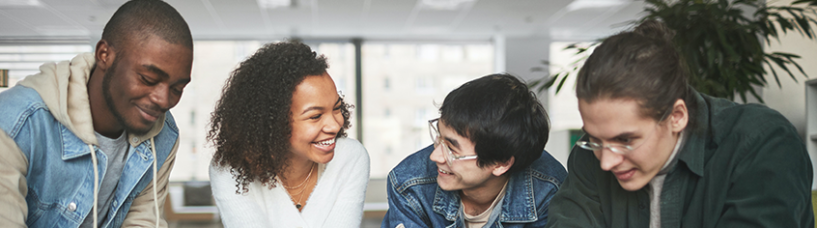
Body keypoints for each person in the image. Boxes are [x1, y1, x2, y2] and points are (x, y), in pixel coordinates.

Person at [546, 20, 814, 228]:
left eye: (625, 140)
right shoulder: (591, 154)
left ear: (676, 117)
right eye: (595, 139)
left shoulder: (764, 144)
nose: (605, 161)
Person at [0, 0, 193, 227]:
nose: (164, 100)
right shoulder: (16, 123)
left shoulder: (163, 136)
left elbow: (144, 221)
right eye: (148, 79)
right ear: (104, 55)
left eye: (177, 89)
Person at [208, 41, 370, 228]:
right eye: (315, 116)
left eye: (337, 108)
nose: (335, 125)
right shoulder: (230, 169)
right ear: (273, 122)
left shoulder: (350, 157)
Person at [381, 74, 567, 228]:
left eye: (452, 149)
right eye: (439, 139)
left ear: (501, 163)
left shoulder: (548, 189)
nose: (435, 156)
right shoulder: (409, 183)